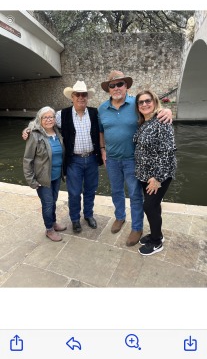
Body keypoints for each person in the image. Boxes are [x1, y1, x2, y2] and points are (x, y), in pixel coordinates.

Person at [98, 70, 173, 247]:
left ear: (126, 86)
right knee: (116, 190)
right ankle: (120, 217)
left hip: (133, 160)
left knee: (135, 195)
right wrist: (102, 149)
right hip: (112, 159)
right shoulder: (102, 108)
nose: (116, 88)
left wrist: (167, 111)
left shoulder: (136, 103)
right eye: (112, 85)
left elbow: (153, 110)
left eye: (120, 84)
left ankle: (137, 228)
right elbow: (101, 130)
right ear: (108, 89)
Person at [134, 89, 177, 256]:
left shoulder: (162, 120)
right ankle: (156, 234)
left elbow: (167, 152)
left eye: (148, 101)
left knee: (149, 205)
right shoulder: (144, 122)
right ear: (137, 106)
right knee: (154, 205)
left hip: (159, 175)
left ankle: (157, 241)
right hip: (145, 174)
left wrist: (157, 178)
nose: (144, 104)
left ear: (154, 102)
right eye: (141, 102)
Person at [58, 81, 103, 233]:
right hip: (74, 160)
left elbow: (107, 127)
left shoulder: (94, 113)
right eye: (78, 94)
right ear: (72, 97)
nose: (81, 97)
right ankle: (75, 219)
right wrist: (29, 129)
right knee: (74, 192)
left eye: (84, 95)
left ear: (87, 97)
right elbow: (43, 121)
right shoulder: (62, 114)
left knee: (90, 190)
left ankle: (88, 215)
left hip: (91, 158)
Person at [23, 106, 66, 242]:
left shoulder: (57, 132)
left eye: (51, 117)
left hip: (56, 175)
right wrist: (31, 180)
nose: (48, 120)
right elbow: (27, 159)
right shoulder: (35, 135)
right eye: (45, 117)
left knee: (53, 201)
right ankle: (49, 229)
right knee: (47, 203)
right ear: (39, 120)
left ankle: (53, 222)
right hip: (42, 178)